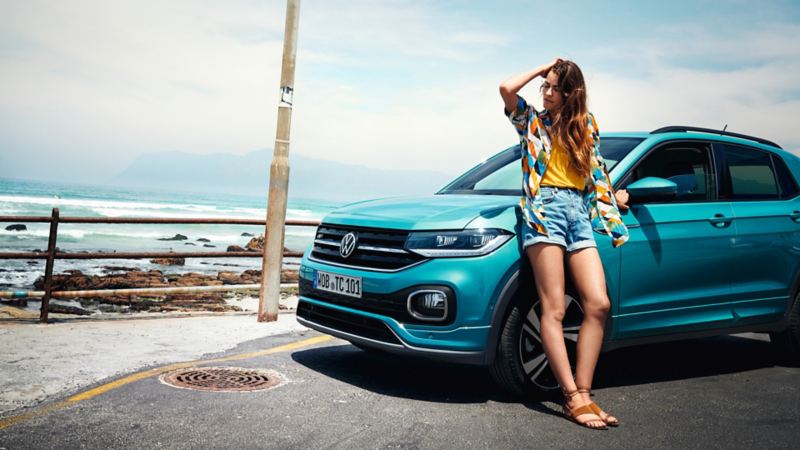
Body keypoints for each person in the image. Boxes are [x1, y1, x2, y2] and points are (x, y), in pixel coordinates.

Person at [499, 58, 630, 430]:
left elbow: (595, 170)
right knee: (553, 307)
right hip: (544, 211)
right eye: (545, 86)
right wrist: (543, 68)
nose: (547, 92)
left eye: (555, 87)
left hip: (578, 214)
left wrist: (611, 198)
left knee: (598, 303)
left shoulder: (585, 125)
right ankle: (572, 396)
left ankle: (586, 392)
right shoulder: (532, 120)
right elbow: (507, 88)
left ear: (572, 92)